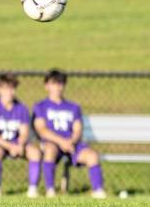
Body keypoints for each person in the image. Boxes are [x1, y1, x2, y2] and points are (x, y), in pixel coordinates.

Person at [33, 69, 107, 199]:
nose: (57, 87)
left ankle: (98, 190)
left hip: (71, 144)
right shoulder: (40, 106)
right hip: (53, 143)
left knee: (93, 156)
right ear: (47, 86)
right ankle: (50, 190)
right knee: (50, 149)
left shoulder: (73, 107)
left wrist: (71, 141)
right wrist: (61, 142)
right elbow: (42, 130)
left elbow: (77, 129)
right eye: (54, 83)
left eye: (60, 83)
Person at [0, 73, 42, 197]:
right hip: (0, 143)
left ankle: (32, 189)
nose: (10, 92)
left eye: (12, 88)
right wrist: (10, 147)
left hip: (17, 143)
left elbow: (24, 131)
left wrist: (20, 144)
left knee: (35, 153)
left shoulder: (21, 108)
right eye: (6, 88)